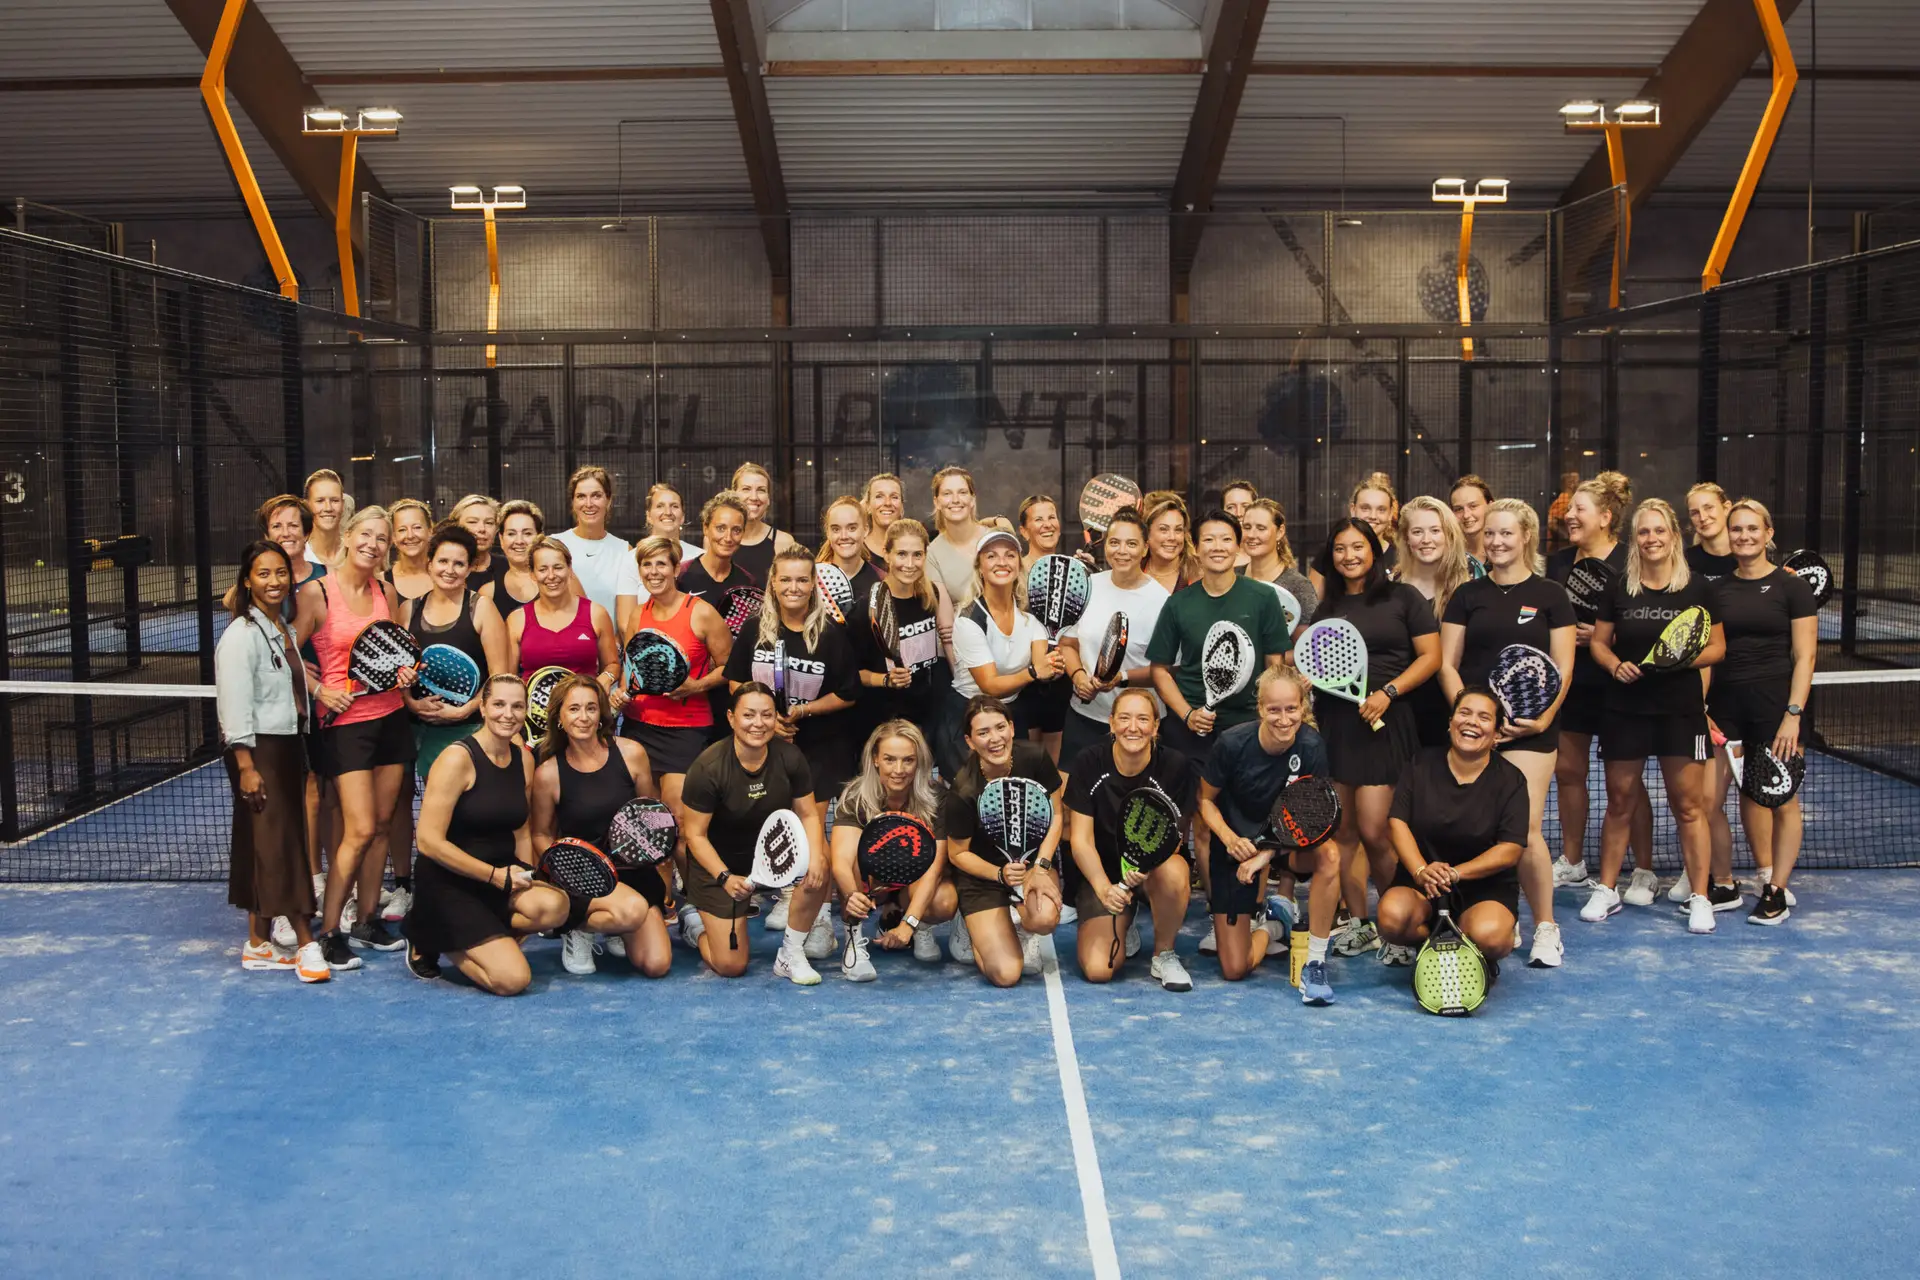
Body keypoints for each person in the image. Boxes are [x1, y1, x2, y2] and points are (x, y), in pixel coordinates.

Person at [1438, 499, 1576, 967]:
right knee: (1477, 828)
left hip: (1529, 731)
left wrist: (1542, 717)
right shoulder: (1466, 595)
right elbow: (1447, 664)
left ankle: (1545, 927)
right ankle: (1500, 916)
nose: (1497, 542)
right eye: (1491, 534)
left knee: (1526, 831)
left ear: (1526, 538)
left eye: (1507, 534)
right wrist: (1469, 718)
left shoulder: (1552, 595)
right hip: (1474, 732)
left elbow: (1563, 667)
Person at [1148, 509, 1292, 947]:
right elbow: (1160, 670)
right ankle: (1218, 911)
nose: (1217, 547)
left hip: (1249, 734)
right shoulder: (1179, 603)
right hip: (1191, 733)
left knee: (1251, 823)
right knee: (1202, 827)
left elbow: (1276, 667)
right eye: (1208, 539)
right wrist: (1187, 713)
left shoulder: (1263, 598)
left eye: (1225, 539)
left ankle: (1250, 909)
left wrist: (1265, 721)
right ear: (1198, 546)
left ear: (1239, 545)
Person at [1588, 499, 1728, 935]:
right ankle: (1608, 889)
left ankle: (1701, 896)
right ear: (1636, 539)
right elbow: (1598, 643)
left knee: (1689, 807)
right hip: (1624, 708)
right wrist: (1614, 666)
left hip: (1679, 710)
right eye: (1644, 532)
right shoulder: (1617, 587)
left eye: (1659, 531)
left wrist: (1677, 661)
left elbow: (1718, 648)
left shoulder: (1699, 588)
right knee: (1619, 802)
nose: (1652, 539)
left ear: (1674, 537)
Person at [1308, 517, 1440, 962]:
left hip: (1387, 723)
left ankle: (1396, 924)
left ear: (1375, 550)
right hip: (1338, 726)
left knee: (1376, 831)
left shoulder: (1405, 598)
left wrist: (1388, 692)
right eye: (1340, 549)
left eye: (1358, 547)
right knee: (1342, 832)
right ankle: (1360, 924)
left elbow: (1432, 658)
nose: (1349, 556)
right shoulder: (1325, 609)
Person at [296, 504, 419, 967]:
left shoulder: (386, 589)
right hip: (346, 727)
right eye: (365, 535)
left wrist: (405, 673)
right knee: (360, 828)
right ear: (347, 536)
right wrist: (318, 686)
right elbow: (288, 646)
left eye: (381, 539)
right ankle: (329, 932)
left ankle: (367, 920)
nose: (372, 544)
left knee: (384, 825)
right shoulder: (316, 592)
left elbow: (395, 652)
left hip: (390, 719)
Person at [725, 544, 863, 948]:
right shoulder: (755, 627)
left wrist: (803, 712)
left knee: (812, 826)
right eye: (786, 579)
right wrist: (766, 722)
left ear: (813, 584)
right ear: (773, 581)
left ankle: (819, 917)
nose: (794, 587)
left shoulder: (830, 632)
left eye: (803, 579)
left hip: (821, 745)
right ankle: (788, 889)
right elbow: (735, 681)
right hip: (766, 744)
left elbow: (849, 693)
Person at [408, 674, 570, 993]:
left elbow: (521, 829)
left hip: (500, 874)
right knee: (513, 980)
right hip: (449, 882)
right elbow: (427, 841)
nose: (507, 714)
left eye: (516, 706)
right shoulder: (457, 759)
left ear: (526, 712)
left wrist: (526, 874)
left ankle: (486, 935)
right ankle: (428, 933)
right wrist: (495, 876)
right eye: (498, 704)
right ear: (482, 708)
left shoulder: (523, 757)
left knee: (556, 906)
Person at [1695, 499, 1816, 925]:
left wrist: (1793, 714)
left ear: (1768, 534)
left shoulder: (1792, 588)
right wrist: (1703, 708)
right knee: (1707, 800)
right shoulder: (1717, 590)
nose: (1744, 536)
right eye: (1736, 529)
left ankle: (1776, 890)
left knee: (1781, 800)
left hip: (1775, 710)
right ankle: (1724, 883)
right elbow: (1708, 656)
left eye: (1752, 529)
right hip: (1725, 710)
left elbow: (1805, 656)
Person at [216, 540, 327, 983]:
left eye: (281, 572)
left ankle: (259, 943)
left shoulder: (279, 628)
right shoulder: (241, 635)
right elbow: (235, 704)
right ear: (247, 580)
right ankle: (305, 942)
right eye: (263, 573)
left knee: (264, 843)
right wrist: (246, 764)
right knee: (280, 844)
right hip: (257, 752)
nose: (274, 581)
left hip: (284, 747)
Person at [1545, 472, 1657, 900]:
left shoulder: (1632, 562)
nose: (1569, 516)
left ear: (1605, 517)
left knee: (1625, 783)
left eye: (1578, 510)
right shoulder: (1556, 564)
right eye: (1571, 509)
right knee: (1569, 773)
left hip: (1619, 683)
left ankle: (1643, 870)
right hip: (1571, 683)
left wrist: (1600, 639)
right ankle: (1572, 862)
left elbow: (1650, 623)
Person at [679, 684, 831, 981]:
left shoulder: (790, 757)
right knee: (731, 966)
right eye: (748, 715)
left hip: (773, 856)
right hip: (719, 866)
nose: (758, 724)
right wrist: (724, 877)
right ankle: (695, 925)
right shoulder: (707, 768)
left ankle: (790, 953)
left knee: (820, 866)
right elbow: (694, 835)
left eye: (767, 715)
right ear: (731, 718)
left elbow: (809, 813)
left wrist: (815, 858)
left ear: (777, 718)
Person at [1376, 688, 1526, 982]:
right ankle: (1431, 945)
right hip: (1423, 881)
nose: (1471, 722)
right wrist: (1420, 871)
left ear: (1496, 734)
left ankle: (1475, 950)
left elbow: (1510, 849)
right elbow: (1397, 822)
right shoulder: (1419, 764)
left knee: (1492, 937)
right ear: (1450, 722)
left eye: (1484, 718)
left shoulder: (1512, 780)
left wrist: (1455, 874)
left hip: (1483, 887)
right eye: (1464, 713)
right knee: (1391, 919)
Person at [1195, 668, 1329, 987]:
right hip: (1236, 848)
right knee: (1234, 969)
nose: (1284, 719)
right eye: (1274, 710)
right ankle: (1270, 928)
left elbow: (1315, 818)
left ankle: (1315, 960)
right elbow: (1204, 801)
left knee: (1331, 856)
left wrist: (1266, 855)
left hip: (1285, 847)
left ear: (1303, 708)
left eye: (1291, 709)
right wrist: (1230, 840)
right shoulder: (1231, 743)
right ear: (1260, 709)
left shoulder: (1312, 747)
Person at [528, 675, 667, 978]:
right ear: (560, 717)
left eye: (591, 708)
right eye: (574, 709)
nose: (583, 717)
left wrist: (660, 842)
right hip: (583, 878)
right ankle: (577, 927)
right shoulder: (548, 773)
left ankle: (615, 924)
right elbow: (539, 834)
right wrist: (563, 868)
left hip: (633, 873)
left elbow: (651, 813)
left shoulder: (632, 753)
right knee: (630, 912)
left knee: (657, 965)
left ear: (601, 713)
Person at [1064, 687, 1197, 991]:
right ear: (1111, 724)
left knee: (1176, 872)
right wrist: (1104, 888)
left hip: (1152, 867)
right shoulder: (1089, 762)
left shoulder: (1175, 766)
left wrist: (1143, 868)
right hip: (1103, 873)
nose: (1132, 727)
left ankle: (1164, 954)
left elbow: (1175, 838)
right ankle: (1125, 916)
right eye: (1124, 718)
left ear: (1155, 727)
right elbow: (1081, 840)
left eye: (1142, 719)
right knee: (1099, 970)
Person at [941, 696, 1065, 984]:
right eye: (983, 733)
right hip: (983, 876)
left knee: (1044, 918)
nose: (994, 739)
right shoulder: (964, 789)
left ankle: (1019, 926)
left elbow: (1056, 816)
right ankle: (971, 925)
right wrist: (999, 873)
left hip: (1031, 865)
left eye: (999, 727)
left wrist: (1042, 867)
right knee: (1006, 975)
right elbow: (957, 854)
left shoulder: (1034, 757)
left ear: (1011, 727)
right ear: (970, 742)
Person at [622, 536, 733, 837]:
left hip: (685, 732)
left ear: (675, 569)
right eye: (647, 565)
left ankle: (692, 886)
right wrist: (621, 695)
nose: (654, 572)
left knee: (679, 825)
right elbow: (630, 670)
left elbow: (731, 667)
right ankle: (663, 887)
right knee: (649, 828)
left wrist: (695, 687)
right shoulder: (637, 614)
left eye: (661, 564)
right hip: (638, 728)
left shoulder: (701, 612)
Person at [831, 721, 957, 978]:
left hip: (915, 879)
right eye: (889, 760)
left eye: (908, 760)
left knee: (944, 901)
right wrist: (850, 895)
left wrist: (908, 925)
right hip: (872, 881)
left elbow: (935, 868)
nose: (898, 770)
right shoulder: (856, 797)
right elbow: (841, 861)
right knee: (852, 869)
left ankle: (911, 920)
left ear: (919, 762)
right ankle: (853, 941)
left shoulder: (937, 798)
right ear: (875, 759)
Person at [943, 529, 1062, 777]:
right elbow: (991, 685)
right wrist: (1034, 671)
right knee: (972, 796)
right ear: (980, 567)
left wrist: (1053, 667)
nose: (1002, 562)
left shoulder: (1030, 622)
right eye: (991, 556)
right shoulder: (968, 620)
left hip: (1009, 716)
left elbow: (1043, 667)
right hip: (966, 715)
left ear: (1018, 565)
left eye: (1009, 555)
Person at [1059, 508, 1170, 770]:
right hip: (1085, 717)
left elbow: (1167, 668)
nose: (1122, 551)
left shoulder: (1162, 601)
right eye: (1114, 542)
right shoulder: (1087, 586)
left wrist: (1122, 678)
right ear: (1105, 545)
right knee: (1072, 796)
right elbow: (1068, 644)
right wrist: (1078, 677)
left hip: (1138, 726)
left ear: (1145, 549)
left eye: (1132, 544)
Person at [403, 524, 509, 781]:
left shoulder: (481, 608)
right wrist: (412, 704)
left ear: (470, 567)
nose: (449, 570)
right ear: (429, 563)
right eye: (442, 561)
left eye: (459, 564)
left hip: (469, 731)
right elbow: (400, 672)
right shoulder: (408, 609)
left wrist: (466, 710)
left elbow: (500, 675)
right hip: (417, 731)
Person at [865, 518, 956, 751]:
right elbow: (850, 675)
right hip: (884, 722)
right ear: (886, 555)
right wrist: (886, 679)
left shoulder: (931, 595)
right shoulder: (868, 608)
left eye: (917, 555)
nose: (910, 563)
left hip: (928, 717)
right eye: (901, 554)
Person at [1394, 496, 1473, 748]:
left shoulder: (1469, 592)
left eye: (1435, 531)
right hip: (1398, 714)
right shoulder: (1389, 590)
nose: (1426, 540)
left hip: (1450, 713)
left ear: (1449, 535)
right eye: (1417, 532)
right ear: (1406, 538)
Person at [505, 537, 622, 706]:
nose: (551, 576)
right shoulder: (517, 620)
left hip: (585, 715)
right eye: (543, 569)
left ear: (569, 570)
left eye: (558, 567)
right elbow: (508, 678)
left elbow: (612, 665)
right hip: (534, 719)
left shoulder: (596, 613)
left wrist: (606, 677)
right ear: (532, 574)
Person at [1017, 494, 1075, 762]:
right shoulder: (1013, 572)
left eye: (1051, 516)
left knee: (1054, 763)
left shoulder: (1074, 571)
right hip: (1025, 678)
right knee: (1028, 761)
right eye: (1038, 519)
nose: (1047, 524)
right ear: (1024, 531)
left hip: (1062, 679)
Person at [552, 465, 641, 622]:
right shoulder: (554, 545)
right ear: (572, 502)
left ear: (608, 500)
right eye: (581, 496)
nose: (588, 503)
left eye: (596, 496)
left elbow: (629, 613)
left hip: (612, 644)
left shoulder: (624, 550)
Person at [1311, 472, 1399, 597]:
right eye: (1365, 508)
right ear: (1353, 509)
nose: (1373, 516)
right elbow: (1313, 606)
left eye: (1381, 510)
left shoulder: (1400, 558)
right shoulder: (1328, 554)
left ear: (1391, 514)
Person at [1238, 498, 1317, 631]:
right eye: (1247, 527)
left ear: (1280, 532)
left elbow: (1305, 648)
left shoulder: (1298, 586)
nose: (1251, 535)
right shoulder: (1233, 576)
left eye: (1261, 528)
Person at [925, 465, 988, 609]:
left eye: (962, 492)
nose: (955, 500)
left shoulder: (994, 539)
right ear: (937, 502)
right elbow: (943, 611)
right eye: (947, 493)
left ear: (972, 499)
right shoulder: (932, 554)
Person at [727, 462, 796, 587]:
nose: (754, 497)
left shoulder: (783, 542)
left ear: (768, 499)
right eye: (746, 489)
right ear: (734, 495)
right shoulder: (716, 539)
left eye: (761, 490)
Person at [677, 491, 754, 599]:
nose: (728, 538)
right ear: (706, 528)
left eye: (736, 530)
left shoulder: (747, 583)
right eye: (721, 528)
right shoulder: (680, 574)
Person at [483, 499, 546, 611]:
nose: (519, 541)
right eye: (511, 534)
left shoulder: (561, 580)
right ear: (501, 539)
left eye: (527, 533)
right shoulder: (488, 593)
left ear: (540, 537)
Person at [449, 493, 507, 595]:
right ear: (456, 526)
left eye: (489, 523)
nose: (482, 529)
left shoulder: (507, 568)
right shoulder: (443, 570)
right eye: (472, 522)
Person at [1142, 495, 1197, 594]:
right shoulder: (1134, 570)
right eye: (1164, 529)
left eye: (1178, 530)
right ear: (1147, 533)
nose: (1172, 537)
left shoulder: (1200, 573)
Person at [1684, 482, 1738, 581]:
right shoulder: (1683, 563)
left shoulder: (1747, 556)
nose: (1703, 518)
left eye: (1709, 508)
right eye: (1695, 513)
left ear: (1726, 508)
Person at [386, 499, 434, 602]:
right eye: (402, 530)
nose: (410, 535)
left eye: (417, 527)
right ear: (394, 537)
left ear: (430, 531)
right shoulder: (380, 582)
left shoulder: (447, 576)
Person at [645, 482, 702, 564]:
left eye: (674, 506)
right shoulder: (632, 559)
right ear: (649, 516)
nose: (668, 512)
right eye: (660, 506)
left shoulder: (699, 557)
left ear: (682, 516)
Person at [860, 472, 906, 572]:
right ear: (868, 505)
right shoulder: (857, 550)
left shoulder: (912, 549)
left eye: (894, 497)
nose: (887, 503)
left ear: (902, 506)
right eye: (879, 496)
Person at [304, 468, 348, 567]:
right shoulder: (299, 557)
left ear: (343, 505)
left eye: (335, 500)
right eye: (320, 501)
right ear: (307, 506)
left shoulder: (355, 554)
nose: (328, 508)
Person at [1449, 475, 1494, 572]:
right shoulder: (1447, 558)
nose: (1466, 515)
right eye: (1459, 509)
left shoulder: (1506, 551)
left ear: (1490, 506)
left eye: (1473, 506)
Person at [1547, 471, 1580, 553]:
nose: (1579, 484)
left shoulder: (1572, 499)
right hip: (1559, 547)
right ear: (1570, 484)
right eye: (1577, 481)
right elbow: (1551, 523)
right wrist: (1565, 536)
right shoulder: (1564, 500)